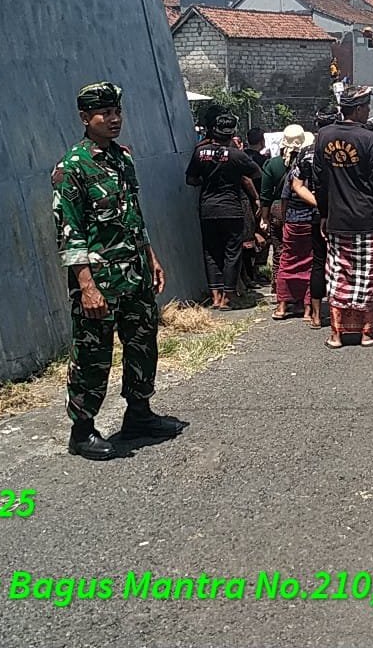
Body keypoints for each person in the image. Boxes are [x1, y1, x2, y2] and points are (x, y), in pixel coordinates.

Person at [52, 81, 181, 461]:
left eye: (117, 112)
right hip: (99, 281)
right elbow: (69, 232)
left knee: (143, 343)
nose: (114, 119)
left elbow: (133, 215)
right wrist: (87, 287)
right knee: (93, 354)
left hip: (134, 274)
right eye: (105, 113)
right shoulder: (72, 168)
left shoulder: (123, 159)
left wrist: (151, 256)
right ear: (84, 118)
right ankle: (82, 431)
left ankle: (139, 414)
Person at [314, 85, 373, 348]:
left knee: (338, 275)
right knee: (366, 276)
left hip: (336, 219)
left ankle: (337, 334)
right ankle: (367, 333)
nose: (368, 111)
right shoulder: (368, 138)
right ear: (356, 109)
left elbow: (319, 181)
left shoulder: (323, 136)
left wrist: (324, 213)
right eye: (366, 107)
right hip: (366, 219)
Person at [186, 112, 261, 310]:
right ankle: (228, 296)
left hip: (207, 208)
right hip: (231, 208)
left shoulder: (200, 153)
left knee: (211, 252)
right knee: (232, 253)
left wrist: (207, 181)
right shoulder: (237, 154)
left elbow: (191, 179)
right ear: (232, 133)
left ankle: (215, 297)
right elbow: (256, 172)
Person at [296, 107, 339, 327]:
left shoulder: (306, 152)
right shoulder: (341, 149)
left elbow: (297, 186)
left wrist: (318, 204)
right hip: (344, 214)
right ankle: (340, 313)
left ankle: (315, 315)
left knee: (319, 262)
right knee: (342, 263)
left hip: (315, 214)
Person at [272, 130, 315, 320]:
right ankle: (306, 308)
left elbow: (284, 198)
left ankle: (282, 306)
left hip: (292, 221)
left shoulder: (293, 172)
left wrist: (284, 220)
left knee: (287, 260)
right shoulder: (319, 172)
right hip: (311, 221)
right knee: (310, 263)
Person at [260, 125, 302, 288]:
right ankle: (297, 284)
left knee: (279, 249)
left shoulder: (272, 164)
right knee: (300, 251)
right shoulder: (305, 162)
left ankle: (278, 283)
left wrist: (264, 217)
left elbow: (265, 195)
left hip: (277, 209)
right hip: (301, 209)